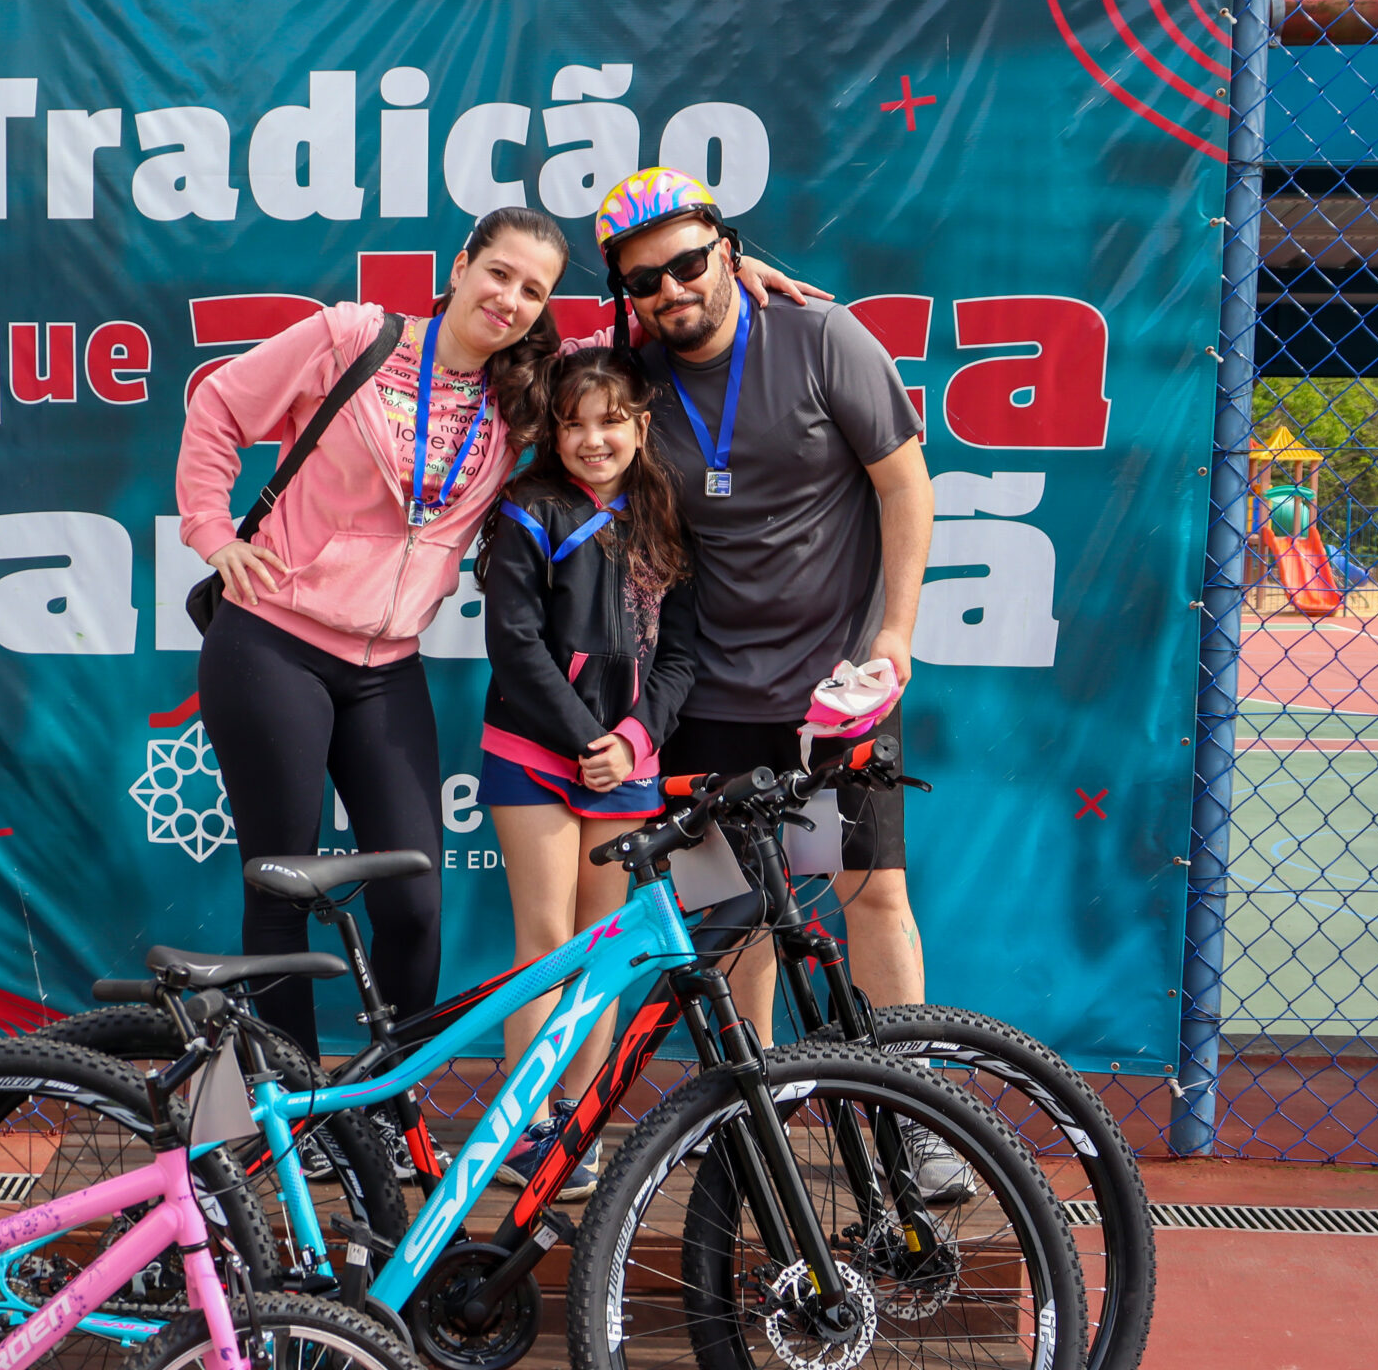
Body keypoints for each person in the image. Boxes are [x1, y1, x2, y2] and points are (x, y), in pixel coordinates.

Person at [176, 208, 816, 1062]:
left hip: (384, 667)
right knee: (281, 885)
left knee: (414, 901)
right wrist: (211, 532)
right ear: (461, 266)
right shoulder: (352, 338)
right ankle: (286, 1099)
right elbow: (218, 405)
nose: (510, 300)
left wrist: (731, 280)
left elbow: (622, 348)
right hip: (273, 644)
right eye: (499, 274)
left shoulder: (523, 392)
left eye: (533, 290)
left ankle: (388, 1100)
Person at [587, 167, 936, 1047]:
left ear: (729, 252)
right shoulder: (630, 383)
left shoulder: (823, 337)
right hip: (706, 696)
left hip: (836, 691)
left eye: (689, 263)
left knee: (871, 895)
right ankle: (753, 1108)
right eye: (644, 280)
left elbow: (905, 486)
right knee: (734, 913)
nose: (671, 289)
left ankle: (910, 1101)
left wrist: (895, 634)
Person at [475, 350, 697, 1200]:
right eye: (573, 424)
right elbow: (514, 644)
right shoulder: (530, 508)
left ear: (641, 423)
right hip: (535, 751)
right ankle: (524, 1127)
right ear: (553, 432)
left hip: (627, 761)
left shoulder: (663, 515)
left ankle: (576, 1124)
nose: (592, 440)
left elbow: (681, 656)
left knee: (601, 951)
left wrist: (634, 739)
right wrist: (583, 740)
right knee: (545, 941)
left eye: (610, 421)